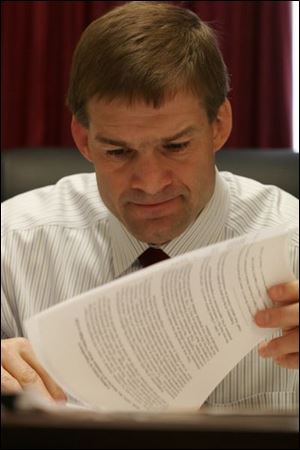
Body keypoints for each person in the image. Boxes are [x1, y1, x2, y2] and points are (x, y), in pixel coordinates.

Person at [1, 1, 298, 410]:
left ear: (219, 126)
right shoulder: (12, 243)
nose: (151, 182)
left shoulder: (295, 242)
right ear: (84, 140)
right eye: (119, 152)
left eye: (176, 146)